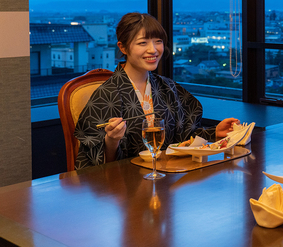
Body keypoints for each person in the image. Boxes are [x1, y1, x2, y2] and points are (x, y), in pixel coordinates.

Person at [74, 12, 238, 169]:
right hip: (127, 185)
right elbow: (98, 166)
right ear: (123, 48)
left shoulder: (168, 87)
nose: (153, 50)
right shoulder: (106, 95)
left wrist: (214, 132)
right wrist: (111, 140)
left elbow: (185, 138)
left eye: (158, 41)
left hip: (169, 177)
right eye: (142, 43)